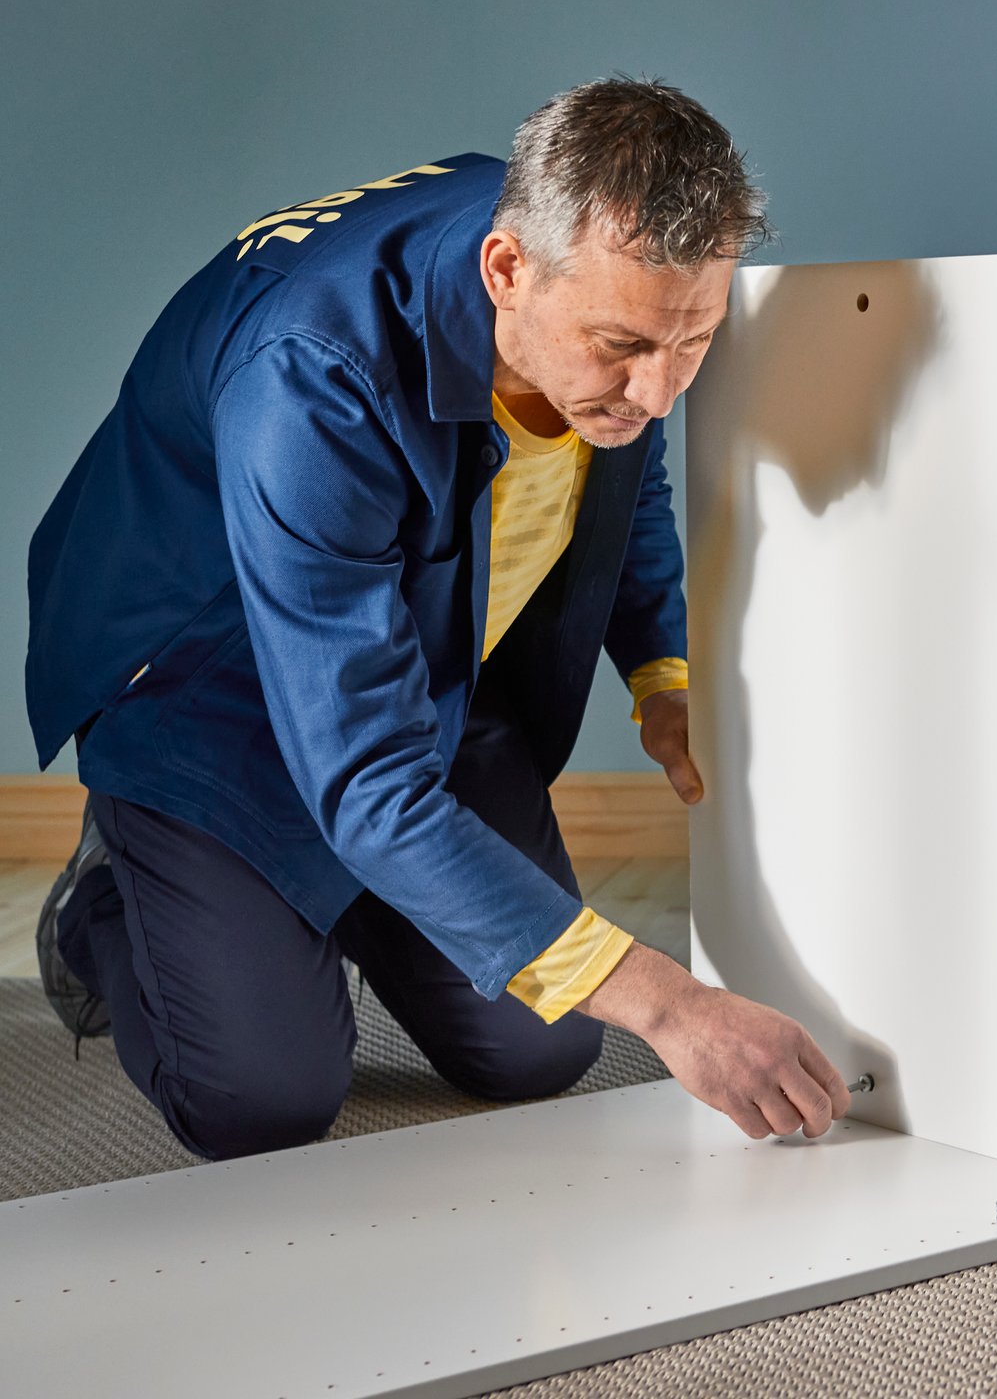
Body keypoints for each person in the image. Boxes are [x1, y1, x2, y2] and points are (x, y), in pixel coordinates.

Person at [26, 77, 852, 1161]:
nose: (657, 393)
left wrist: (661, 674)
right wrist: (671, 1005)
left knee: (538, 1051)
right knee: (262, 1100)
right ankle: (115, 905)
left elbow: (620, 480)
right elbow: (364, 776)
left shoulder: (592, 292)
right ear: (507, 272)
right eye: (624, 349)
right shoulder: (310, 378)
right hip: (211, 685)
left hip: (424, 659)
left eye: (689, 343)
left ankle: (372, 889)